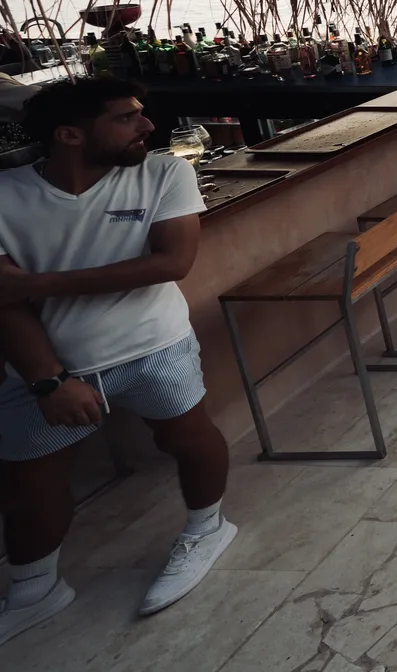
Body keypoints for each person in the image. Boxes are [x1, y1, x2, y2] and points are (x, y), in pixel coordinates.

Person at [0, 78, 237, 644]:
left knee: (187, 437)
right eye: (127, 117)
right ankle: (35, 588)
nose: (148, 125)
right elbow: (4, 303)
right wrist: (49, 379)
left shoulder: (164, 173)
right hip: (46, 366)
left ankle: (207, 528)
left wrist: (38, 284)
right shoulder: (6, 195)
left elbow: (170, 263)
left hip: (155, 344)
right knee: (28, 481)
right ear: (70, 135)